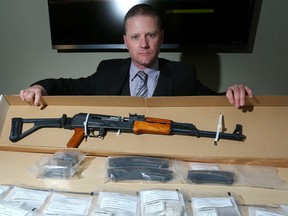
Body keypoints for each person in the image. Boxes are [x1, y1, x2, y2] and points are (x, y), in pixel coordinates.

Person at [20, 3, 253, 108]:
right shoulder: (107, 70)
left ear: (161, 37)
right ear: (125, 42)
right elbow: (68, 86)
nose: (143, 44)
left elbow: (212, 102)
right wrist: (39, 87)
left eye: (150, 35)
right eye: (135, 37)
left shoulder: (184, 74)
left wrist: (234, 93)